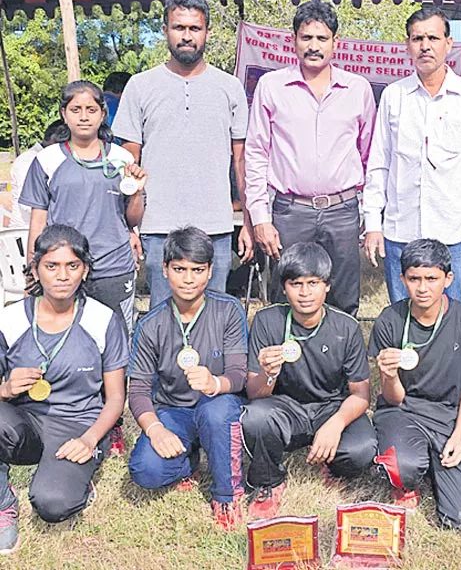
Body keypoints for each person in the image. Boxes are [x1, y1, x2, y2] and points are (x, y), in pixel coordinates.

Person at [113, 0, 252, 309]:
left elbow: (241, 162)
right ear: (165, 30)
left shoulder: (229, 87)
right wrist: (129, 227)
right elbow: (128, 165)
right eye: (179, 27)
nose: (187, 36)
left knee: (214, 321)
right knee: (163, 322)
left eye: (195, 28)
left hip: (215, 227)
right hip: (158, 227)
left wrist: (248, 221)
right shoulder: (140, 85)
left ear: (207, 33)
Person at [0, 225, 128, 554]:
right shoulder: (10, 319)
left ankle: (75, 481)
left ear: (84, 270)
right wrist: (6, 389)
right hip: (24, 421)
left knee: (52, 505)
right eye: (52, 266)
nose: (62, 276)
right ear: (36, 269)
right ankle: (3, 504)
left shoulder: (103, 319)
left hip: (76, 427)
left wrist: (89, 439)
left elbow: (115, 398)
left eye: (72, 266)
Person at [245, 1, 376, 317]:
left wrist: (370, 217)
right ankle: (286, 365)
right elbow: (256, 154)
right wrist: (261, 218)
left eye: (322, 38)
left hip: (342, 211)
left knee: (343, 301)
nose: (314, 46)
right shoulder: (272, 87)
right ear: (294, 40)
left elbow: (371, 156)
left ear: (336, 43)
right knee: (286, 299)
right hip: (291, 212)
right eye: (306, 38)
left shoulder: (357, 89)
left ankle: (337, 364)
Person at [363, 8, 461, 303]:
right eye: (417, 38)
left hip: (452, 232)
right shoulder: (393, 96)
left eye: (433, 38)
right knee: (402, 315)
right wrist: (373, 223)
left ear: (448, 44)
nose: (425, 45)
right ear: (407, 45)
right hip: (400, 230)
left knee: (450, 319)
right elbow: (379, 164)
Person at [240, 242, 376, 519]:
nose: (304, 293)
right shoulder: (267, 320)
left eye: (313, 283)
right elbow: (254, 393)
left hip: (331, 406)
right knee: (254, 418)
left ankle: (333, 463)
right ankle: (269, 481)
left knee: (362, 450)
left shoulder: (346, 327)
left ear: (327, 285)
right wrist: (269, 372)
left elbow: (361, 395)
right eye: (296, 283)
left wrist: (335, 425)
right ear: (284, 286)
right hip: (286, 407)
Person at [127, 227, 247, 528]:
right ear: (165, 270)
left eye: (197, 269)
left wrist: (215, 383)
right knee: (145, 471)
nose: (189, 278)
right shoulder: (150, 323)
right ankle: (190, 459)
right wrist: (156, 430)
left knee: (217, 411)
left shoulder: (229, 311)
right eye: (179, 269)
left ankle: (226, 494)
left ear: (209, 272)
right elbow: (139, 390)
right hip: (173, 413)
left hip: (217, 406)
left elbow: (239, 375)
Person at [370, 239, 461, 531]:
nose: (423, 288)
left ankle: (441, 468)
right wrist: (388, 375)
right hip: (403, 411)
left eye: (431, 279)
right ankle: (408, 483)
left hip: (448, 414)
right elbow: (394, 398)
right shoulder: (390, 320)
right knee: (403, 468)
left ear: (448, 279)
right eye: (414, 279)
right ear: (402, 279)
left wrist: (459, 436)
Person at [20, 81, 146, 334]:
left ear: (102, 114)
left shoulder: (122, 159)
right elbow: (38, 221)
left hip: (113, 266)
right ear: (63, 115)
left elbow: (132, 219)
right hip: (64, 267)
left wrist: (137, 191)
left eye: (91, 109)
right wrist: (33, 269)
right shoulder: (47, 160)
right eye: (76, 109)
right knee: (66, 336)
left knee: (116, 337)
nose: (84, 117)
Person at [7, 121, 62, 229]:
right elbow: (29, 205)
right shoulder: (28, 161)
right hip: (26, 232)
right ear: (54, 141)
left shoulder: (51, 159)